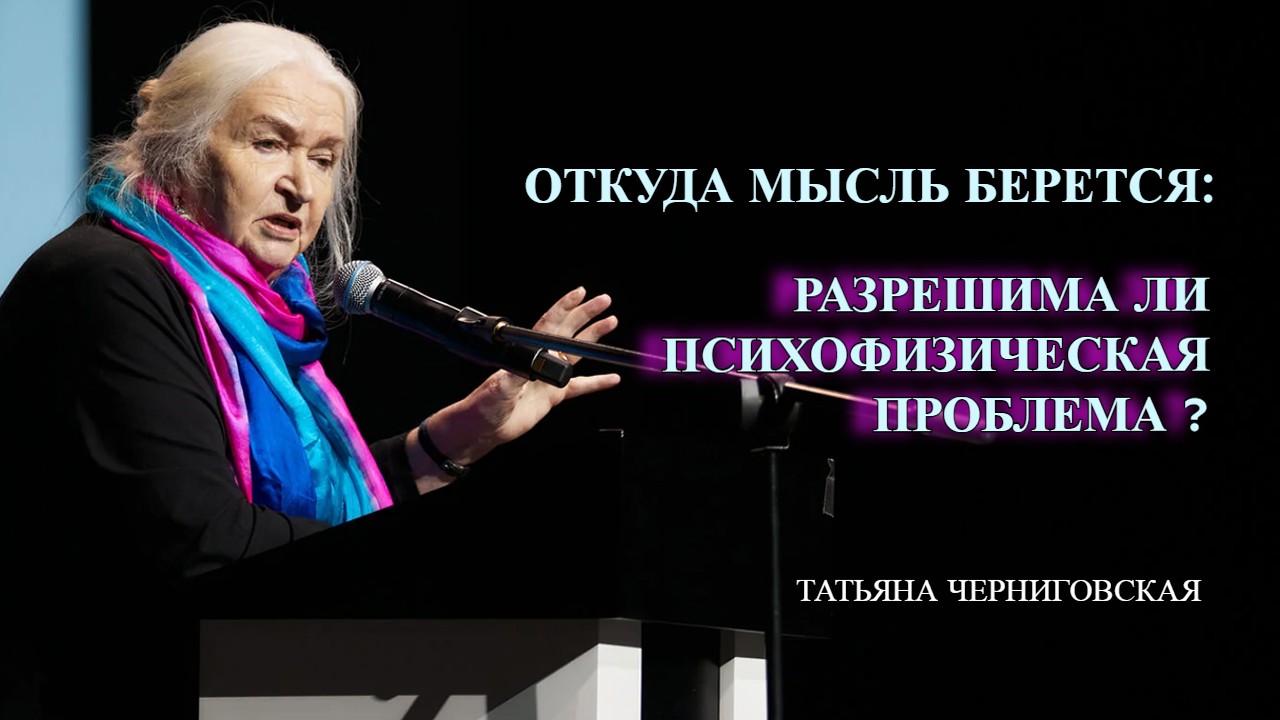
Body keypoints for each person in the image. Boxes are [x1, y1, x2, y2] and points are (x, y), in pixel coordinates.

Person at [0, 19, 619, 718]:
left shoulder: (255, 311)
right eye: (269, 144)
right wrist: (459, 568)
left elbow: (287, 523)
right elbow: (207, 543)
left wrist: (451, 440)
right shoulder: (107, 282)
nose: (301, 186)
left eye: (324, 159)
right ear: (179, 143)